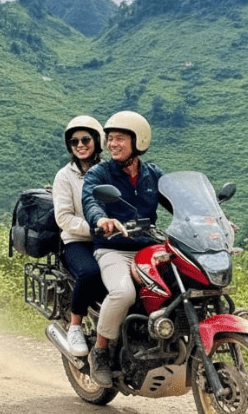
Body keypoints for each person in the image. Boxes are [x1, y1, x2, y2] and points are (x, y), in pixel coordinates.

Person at [81, 111, 164, 388]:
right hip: (113, 249)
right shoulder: (100, 173)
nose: (112, 144)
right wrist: (101, 220)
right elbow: (91, 201)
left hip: (149, 248)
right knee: (123, 292)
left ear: (138, 141)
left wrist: (210, 217)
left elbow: (180, 199)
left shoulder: (153, 174)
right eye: (110, 139)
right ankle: (100, 352)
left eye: (119, 139)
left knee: (180, 285)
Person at [52, 115, 108, 357]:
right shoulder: (64, 176)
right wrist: (94, 228)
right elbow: (64, 218)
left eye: (86, 139)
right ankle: (75, 326)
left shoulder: (110, 171)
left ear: (97, 141)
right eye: (74, 141)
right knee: (90, 272)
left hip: (110, 240)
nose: (80, 145)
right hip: (77, 241)